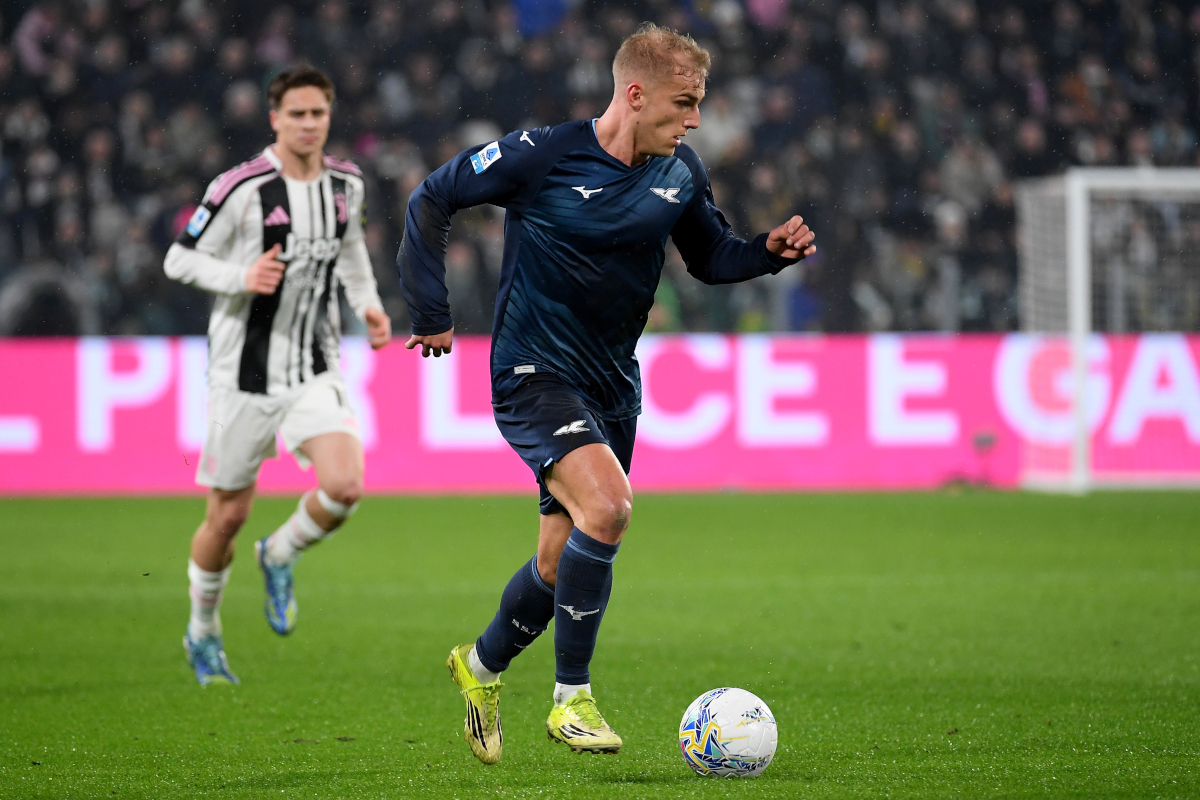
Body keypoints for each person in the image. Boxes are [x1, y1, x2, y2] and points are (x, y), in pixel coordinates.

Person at [397, 24, 815, 762]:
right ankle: (572, 699)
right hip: (532, 373)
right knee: (611, 507)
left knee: (559, 565)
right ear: (635, 93)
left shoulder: (680, 174)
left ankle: (481, 667)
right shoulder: (542, 156)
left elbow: (711, 257)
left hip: (613, 385)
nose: (693, 120)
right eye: (684, 104)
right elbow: (432, 199)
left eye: (699, 106)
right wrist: (433, 312)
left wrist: (767, 255)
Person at [164, 64, 391, 685]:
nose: (309, 124)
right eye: (297, 113)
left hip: (314, 366)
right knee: (227, 517)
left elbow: (350, 253)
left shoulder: (347, 183)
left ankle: (280, 552)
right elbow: (179, 257)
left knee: (345, 485)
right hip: (242, 376)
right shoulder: (239, 187)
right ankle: (203, 631)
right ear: (275, 118)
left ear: (329, 116)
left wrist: (368, 305)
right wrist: (239, 278)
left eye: (318, 113)